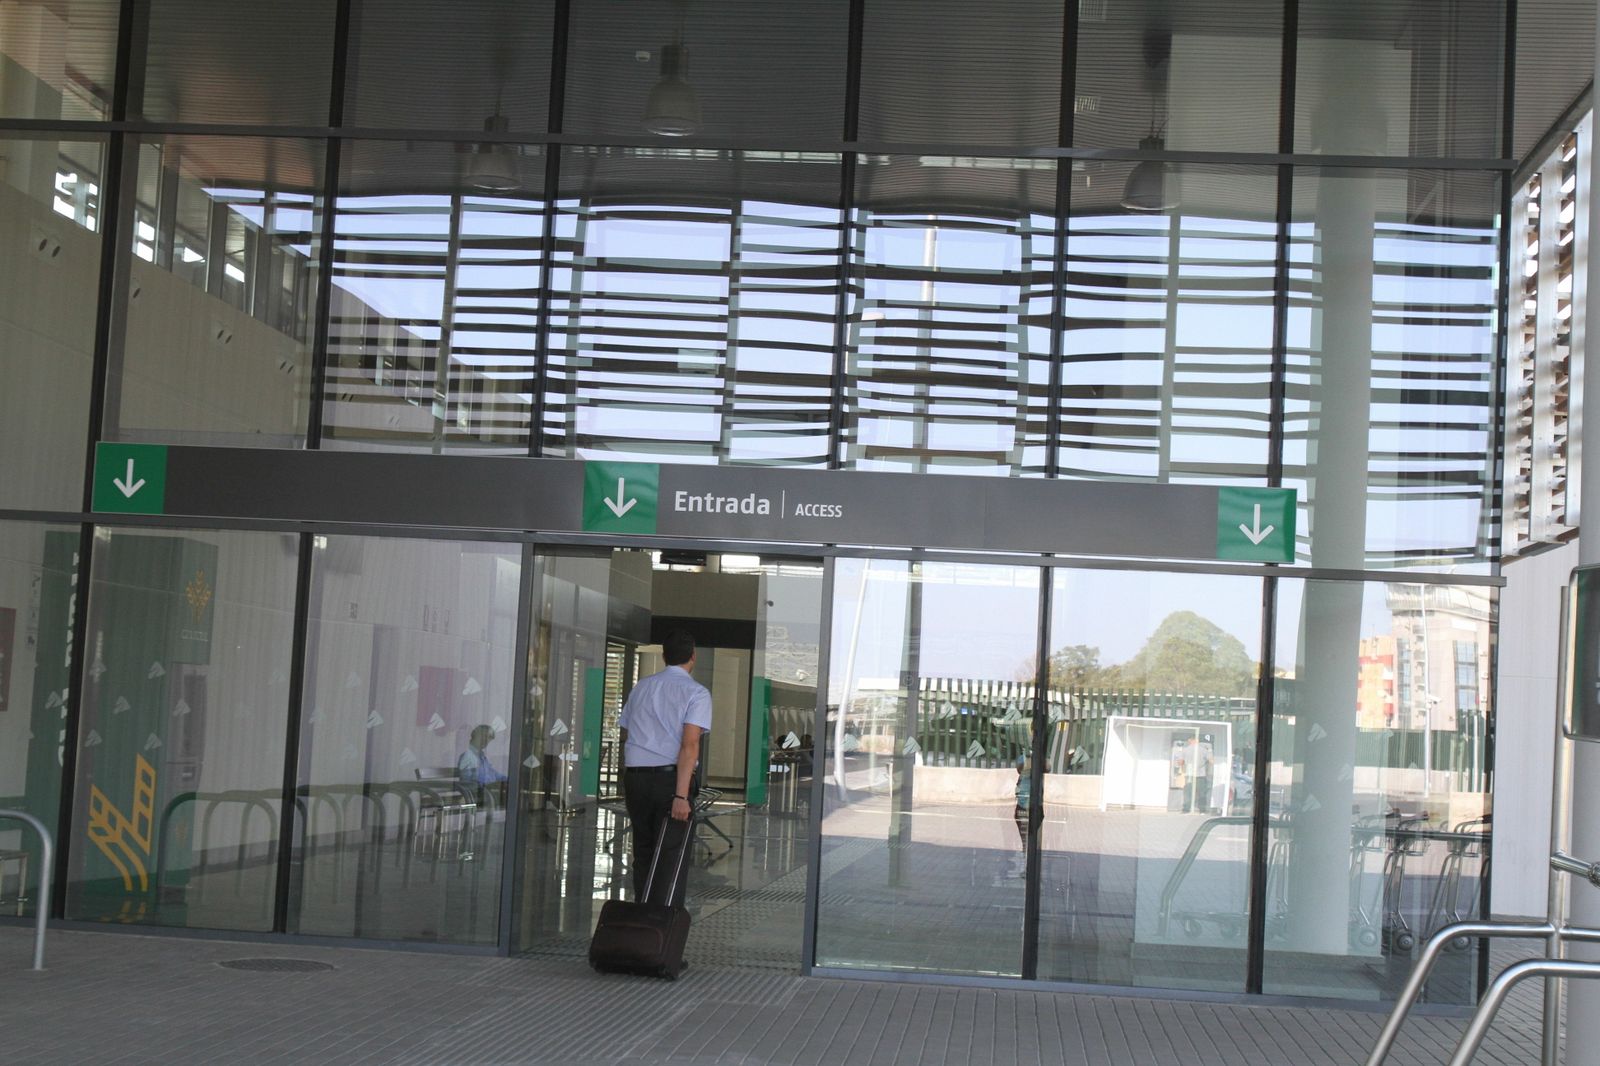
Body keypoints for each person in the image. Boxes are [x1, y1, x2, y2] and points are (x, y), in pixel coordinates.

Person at [618, 629, 712, 904]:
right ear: (693, 657)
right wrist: (681, 796)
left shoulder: (641, 687)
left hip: (636, 779)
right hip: (670, 781)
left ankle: (643, 914)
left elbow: (628, 730)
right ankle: (663, 920)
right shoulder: (696, 693)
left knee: (643, 851)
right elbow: (689, 745)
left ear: (663, 656)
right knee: (671, 856)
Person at [457, 724, 507, 798]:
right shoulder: (468, 757)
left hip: (487, 793)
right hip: (479, 796)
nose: (485, 740)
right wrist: (487, 785)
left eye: (488, 738)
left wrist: (508, 779)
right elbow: (467, 783)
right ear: (475, 736)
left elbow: (493, 773)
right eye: (483, 736)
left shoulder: (481, 756)